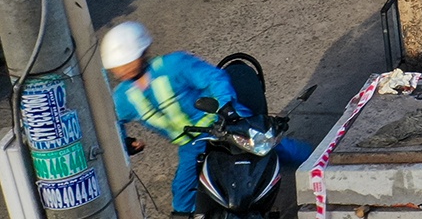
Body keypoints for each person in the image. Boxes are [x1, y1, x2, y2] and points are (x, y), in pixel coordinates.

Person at [104, 21, 311, 216]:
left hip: (227, 122)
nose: (121, 70)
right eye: (117, 67)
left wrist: (226, 107)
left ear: (140, 53)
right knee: (182, 194)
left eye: (125, 62)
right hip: (192, 142)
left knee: (274, 147)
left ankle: (320, 162)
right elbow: (114, 122)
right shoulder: (124, 98)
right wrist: (125, 143)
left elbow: (214, 77)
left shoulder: (173, 65)